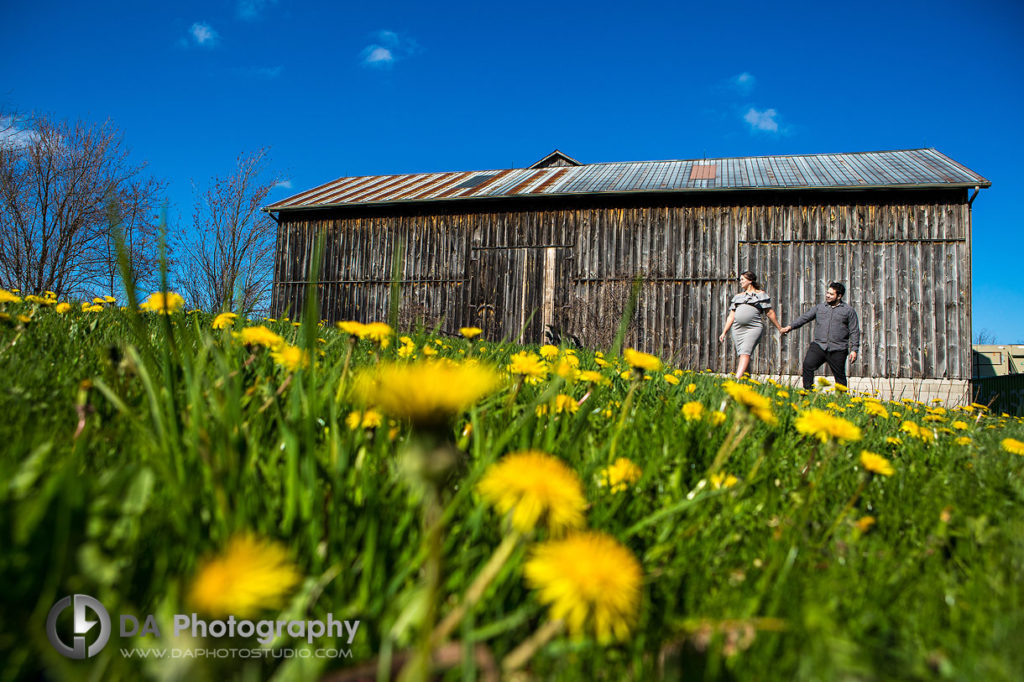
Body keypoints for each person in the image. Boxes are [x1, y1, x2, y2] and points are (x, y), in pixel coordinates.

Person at [781, 282, 861, 390]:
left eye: (831, 294)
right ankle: (808, 392)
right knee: (808, 365)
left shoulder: (848, 311)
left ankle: (841, 400)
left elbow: (854, 330)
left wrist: (854, 349)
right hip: (819, 345)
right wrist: (790, 327)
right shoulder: (820, 308)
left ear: (839, 296)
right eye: (827, 293)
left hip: (838, 348)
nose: (828, 295)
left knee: (840, 376)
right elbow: (804, 318)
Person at [719, 271, 784, 379]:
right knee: (743, 354)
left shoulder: (760, 295)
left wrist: (779, 328)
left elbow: (770, 313)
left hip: (753, 328)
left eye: (742, 279)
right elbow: (731, 316)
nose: (740, 282)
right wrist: (724, 331)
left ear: (750, 280)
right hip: (737, 329)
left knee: (745, 352)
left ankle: (737, 380)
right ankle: (746, 380)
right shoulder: (738, 297)